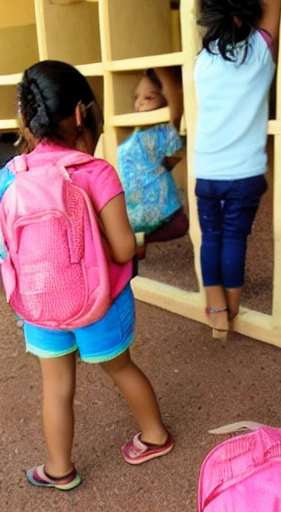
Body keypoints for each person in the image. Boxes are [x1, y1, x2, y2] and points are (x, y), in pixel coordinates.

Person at [0, 61, 173, 491]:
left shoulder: (9, 178)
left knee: (55, 386)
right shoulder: (95, 173)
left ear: (26, 119)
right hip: (102, 303)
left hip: (41, 305)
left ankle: (59, 469)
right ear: (82, 114)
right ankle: (154, 435)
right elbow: (121, 249)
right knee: (122, 368)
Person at [193, 0, 281, 340]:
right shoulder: (259, 51)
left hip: (207, 170)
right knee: (234, 238)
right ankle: (230, 310)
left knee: (211, 237)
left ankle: (215, 310)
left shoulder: (202, 61)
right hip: (244, 174)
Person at [117, 67, 188, 260]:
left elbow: (175, 110)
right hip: (133, 208)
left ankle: (138, 239)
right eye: (136, 98)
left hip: (149, 209)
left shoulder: (163, 132)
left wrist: (163, 72)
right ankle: (137, 239)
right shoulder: (138, 131)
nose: (139, 103)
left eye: (149, 98)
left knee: (179, 224)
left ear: (164, 101)